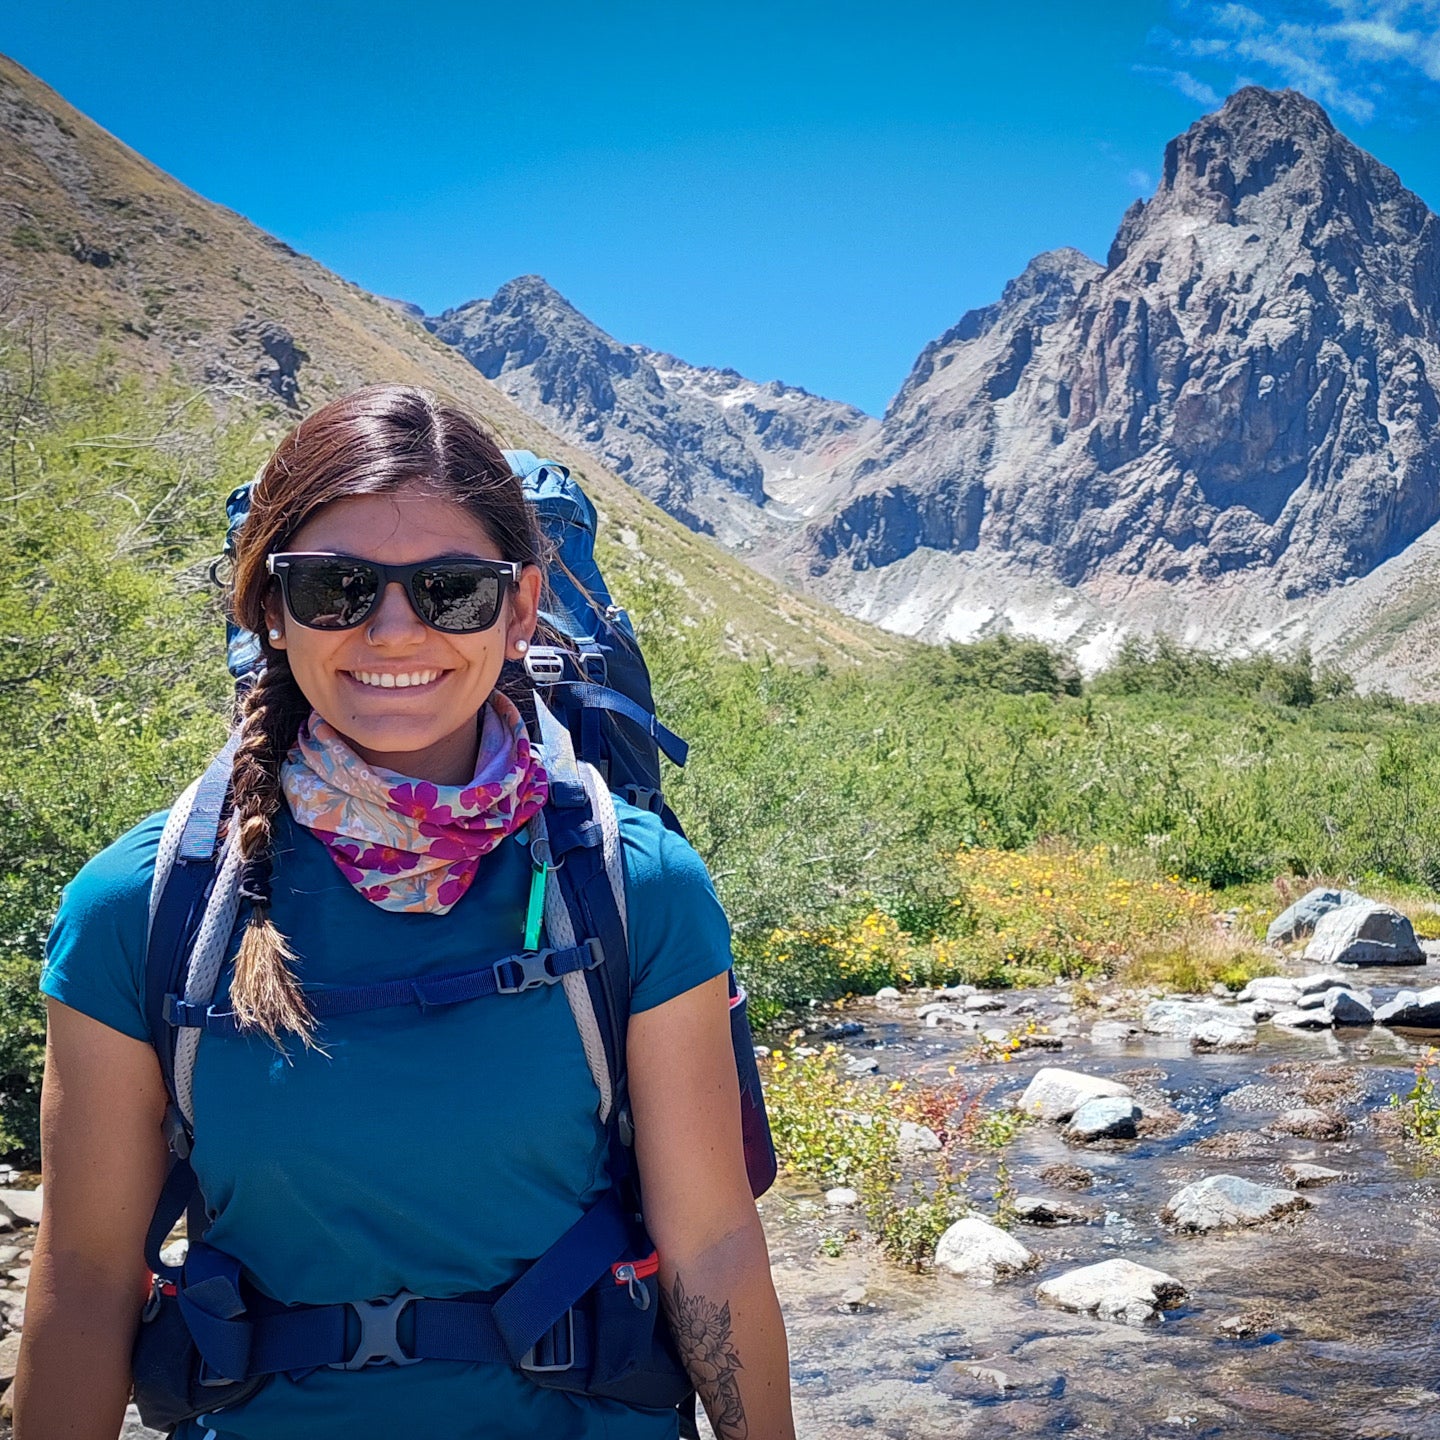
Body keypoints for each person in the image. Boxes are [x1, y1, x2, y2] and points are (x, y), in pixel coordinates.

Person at [15, 385, 796, 1440]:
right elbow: (85, 1274)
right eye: (336, 586)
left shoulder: (634, 884)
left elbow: (713, 1248)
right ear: (268, 609)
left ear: (519, 612)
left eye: (452, 590)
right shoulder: (141, 907)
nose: (394, 629)